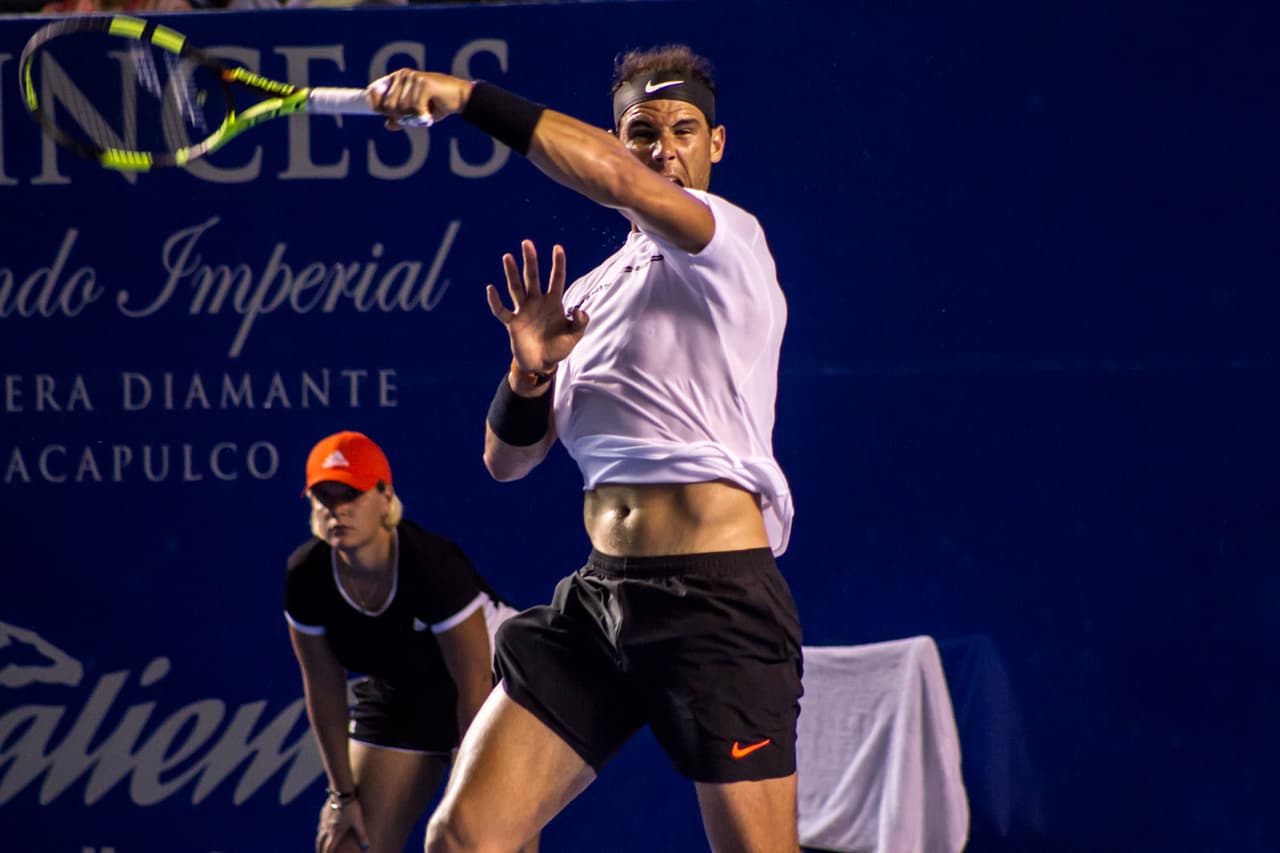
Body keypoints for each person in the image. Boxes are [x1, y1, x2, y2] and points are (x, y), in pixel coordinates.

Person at [370, 44, 802, 852]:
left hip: (716, 605)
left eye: (683, 129)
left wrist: (466, 97)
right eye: (641, 132)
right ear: (618, 134)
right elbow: (507, 461)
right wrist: (529, 374)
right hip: (603, 602)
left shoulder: (729, 243)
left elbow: (617, 182)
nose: (663, 149)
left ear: (716, 144)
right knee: (464, 836)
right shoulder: (588, 294)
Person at [285, 430, 523, 853]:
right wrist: (342, 798)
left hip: (500, 690)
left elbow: (474, 688)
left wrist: (467, 794)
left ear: (385, 497)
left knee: (467, 842)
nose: (336, 510)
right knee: (345, 845)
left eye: (350, 495)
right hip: (403, 694)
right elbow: (323, 688)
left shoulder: (432, 566)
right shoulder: (307, 577)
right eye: (324, 498)